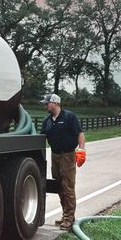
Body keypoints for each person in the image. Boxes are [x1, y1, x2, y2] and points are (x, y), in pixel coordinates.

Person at [39, 93, 85, 230]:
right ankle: (67, 215)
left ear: (55, 103)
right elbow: (41, 137)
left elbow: (80, 134)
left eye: (47, 103)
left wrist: (81, 150)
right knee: (59, 186)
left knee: (68, 187)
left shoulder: (69, 117)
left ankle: (68, 219)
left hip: (68, 155)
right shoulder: (47, 121)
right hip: (55, 155)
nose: (45, 105)